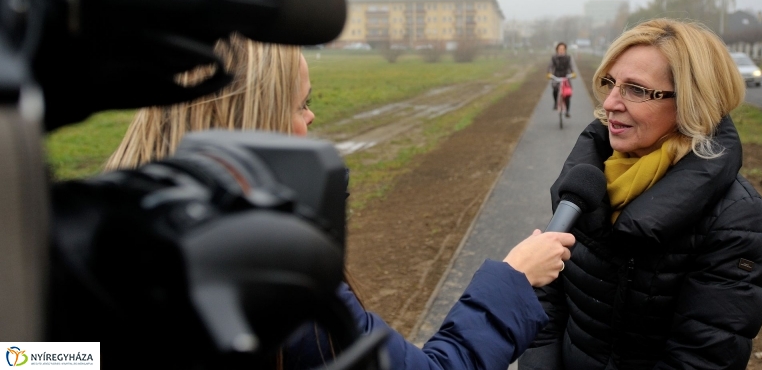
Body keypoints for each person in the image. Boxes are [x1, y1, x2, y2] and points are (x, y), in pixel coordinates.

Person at [106, 33, 576, 370]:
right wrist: (514, 279)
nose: (310, 117)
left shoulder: (83, 242)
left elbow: (40, 358)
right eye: (300, 105)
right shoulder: (273, 278)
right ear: (258, 123)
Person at [518, 19, 762, 370]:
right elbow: (547, 301)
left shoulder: (736, 219)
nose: (610, 103)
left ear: (692, 102)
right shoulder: (590, 178)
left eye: (636, 90)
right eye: (610, 83)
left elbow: (701, 359)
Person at [547, 42, 577, 117]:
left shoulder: (568, 57)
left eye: (563, 49)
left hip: (566, 77)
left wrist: (573, 73)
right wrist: (549, 73)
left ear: (565, 50)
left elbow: (572, 66)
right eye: (560, 49)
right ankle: (555, 103)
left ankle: (567, 111)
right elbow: (550, 66)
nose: (561, 50)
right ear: (557, 50)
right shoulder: (554, 58)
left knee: (567, 94)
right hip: (556, 76)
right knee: (555, 89)